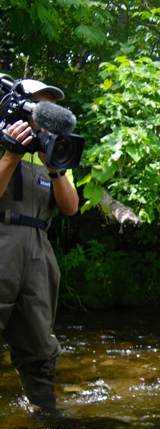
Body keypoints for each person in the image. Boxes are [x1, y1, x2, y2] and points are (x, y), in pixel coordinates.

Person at [0, 75, 79, 411]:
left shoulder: (54, 150)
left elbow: (70, 207)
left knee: (39, 341)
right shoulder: (4, 141)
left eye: (51, 107)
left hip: (38, 249)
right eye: (39, 106)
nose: (45, 114)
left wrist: (56, 170)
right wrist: (11, 154)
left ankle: (45, 414)